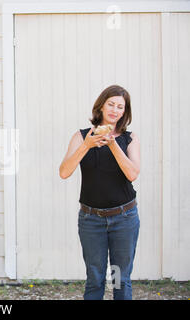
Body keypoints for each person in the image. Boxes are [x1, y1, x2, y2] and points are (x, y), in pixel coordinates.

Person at [59, 84, 141, 300]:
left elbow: (132, 174)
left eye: (120, 107)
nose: (115, 110)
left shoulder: (129, 139)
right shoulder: (81, 136)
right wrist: (87, 145)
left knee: (120, 279)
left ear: (125, 112)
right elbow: (64, 172)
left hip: (124, 218)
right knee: (94, 278)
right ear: (102, 106)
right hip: (91, 219)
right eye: (111, 104)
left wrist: (113, 145)